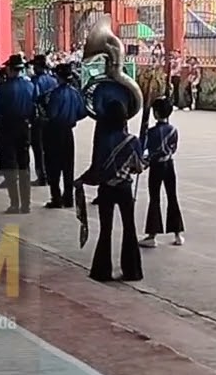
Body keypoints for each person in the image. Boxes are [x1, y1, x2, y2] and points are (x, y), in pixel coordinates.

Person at [77, 98, 144, 283]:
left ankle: (102, 271)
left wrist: (83, 179)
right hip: (124, 189)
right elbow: (138, 167)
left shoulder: (104, 140)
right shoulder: (132, 141)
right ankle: (132, 271)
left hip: (106, 189)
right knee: (129, 228)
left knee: (105, 230)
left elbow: (97, 168)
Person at [140, 97, 184, 247]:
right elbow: (173, 149)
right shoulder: (173, 130)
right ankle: (177, 234)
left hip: (156, 167)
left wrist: (143, 163)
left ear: (156, 113)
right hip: (169, 165)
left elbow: (146, 151)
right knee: (172, 196)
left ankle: (152, 236)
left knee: (155, 198)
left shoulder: (151, 132)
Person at [41, 63, 86, 209]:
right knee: (68, 167)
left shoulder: (55, 94)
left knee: (53, 167)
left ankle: (56, 198)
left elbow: (51, 114)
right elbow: (82, 112)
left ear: (59, 77)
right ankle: (68, 198)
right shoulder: (75, 92)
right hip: (68, 133)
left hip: (55, 132)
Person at [0, 54, 36, 214]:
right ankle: (26, 204)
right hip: (25, 127)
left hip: (7, 128)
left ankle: (14, 203)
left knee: (10, 167)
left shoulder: (4, 88)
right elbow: (34, 108)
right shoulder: (30, 86)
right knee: (24, 166)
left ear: (12, 70)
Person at [28, 55, 57, 188]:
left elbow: (33, 100)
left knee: (38, 149)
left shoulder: (35, 82)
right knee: (50, 148)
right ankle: (52, 175)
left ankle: (42, 176)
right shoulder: (53, 80)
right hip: (52, 119)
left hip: (38, 119)